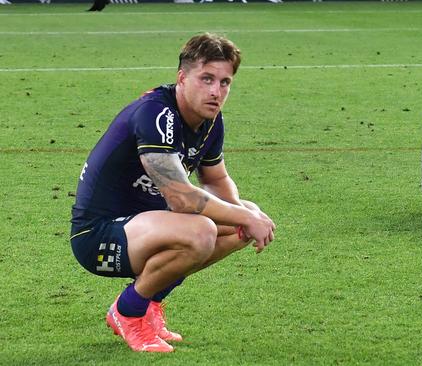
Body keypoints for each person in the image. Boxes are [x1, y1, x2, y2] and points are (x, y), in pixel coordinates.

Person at [70, 33, 276, 353]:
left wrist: (247, 215)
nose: (215, 91)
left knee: (239, 223)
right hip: (97, 235)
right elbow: (182, 198)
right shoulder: (156, 113)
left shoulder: (210, 120)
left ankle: (150, 303)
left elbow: (217, 179)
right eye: (206, 79)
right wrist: (246, 217)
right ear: (182, 78)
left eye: (225, 82)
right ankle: (128, 311)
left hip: (145, 227)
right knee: (202, 230)